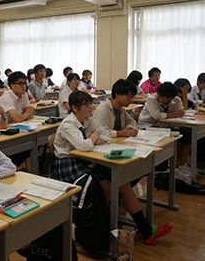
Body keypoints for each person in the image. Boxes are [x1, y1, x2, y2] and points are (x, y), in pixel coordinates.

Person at [53, 91, 173, 245]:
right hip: (67, 165)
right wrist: (94, 137)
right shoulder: (68, 124)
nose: (91, 108)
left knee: (122, 183)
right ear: (75, 108)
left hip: (85, 160)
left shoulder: (88, 120)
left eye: (91, 104)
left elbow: (107, 136)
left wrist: (93, 139)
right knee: (106, 188)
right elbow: (84, 146)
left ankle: (145, 230)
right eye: (86, 105)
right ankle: (104, 229)